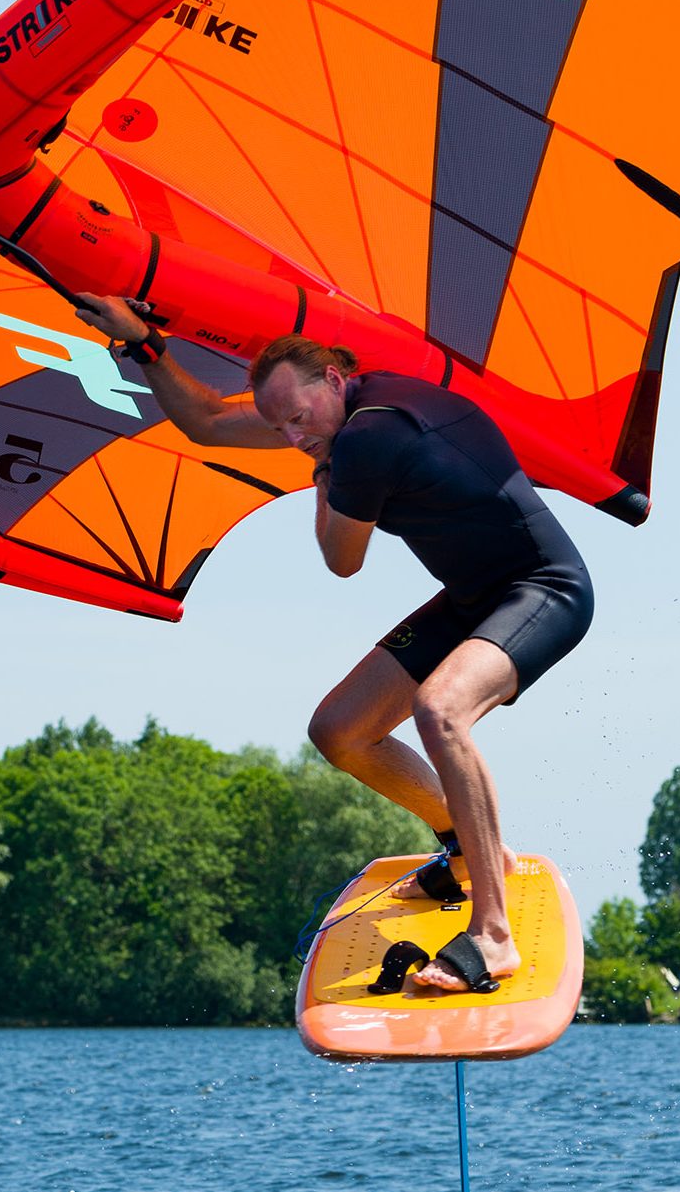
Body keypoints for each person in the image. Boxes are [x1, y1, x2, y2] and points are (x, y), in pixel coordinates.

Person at [72, 299, 594, 995]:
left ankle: (493, 935)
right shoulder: (337, 423)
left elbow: (340, 560)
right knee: (340, 731)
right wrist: (143, 344)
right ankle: (470, 846)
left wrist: (325, 474)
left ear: (336, 376)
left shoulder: (366, 440)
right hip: (473, 595)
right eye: (280, 423)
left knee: (440, 711)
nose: (292, 434)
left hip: (542, 590)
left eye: (299, 416)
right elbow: (204, 423)